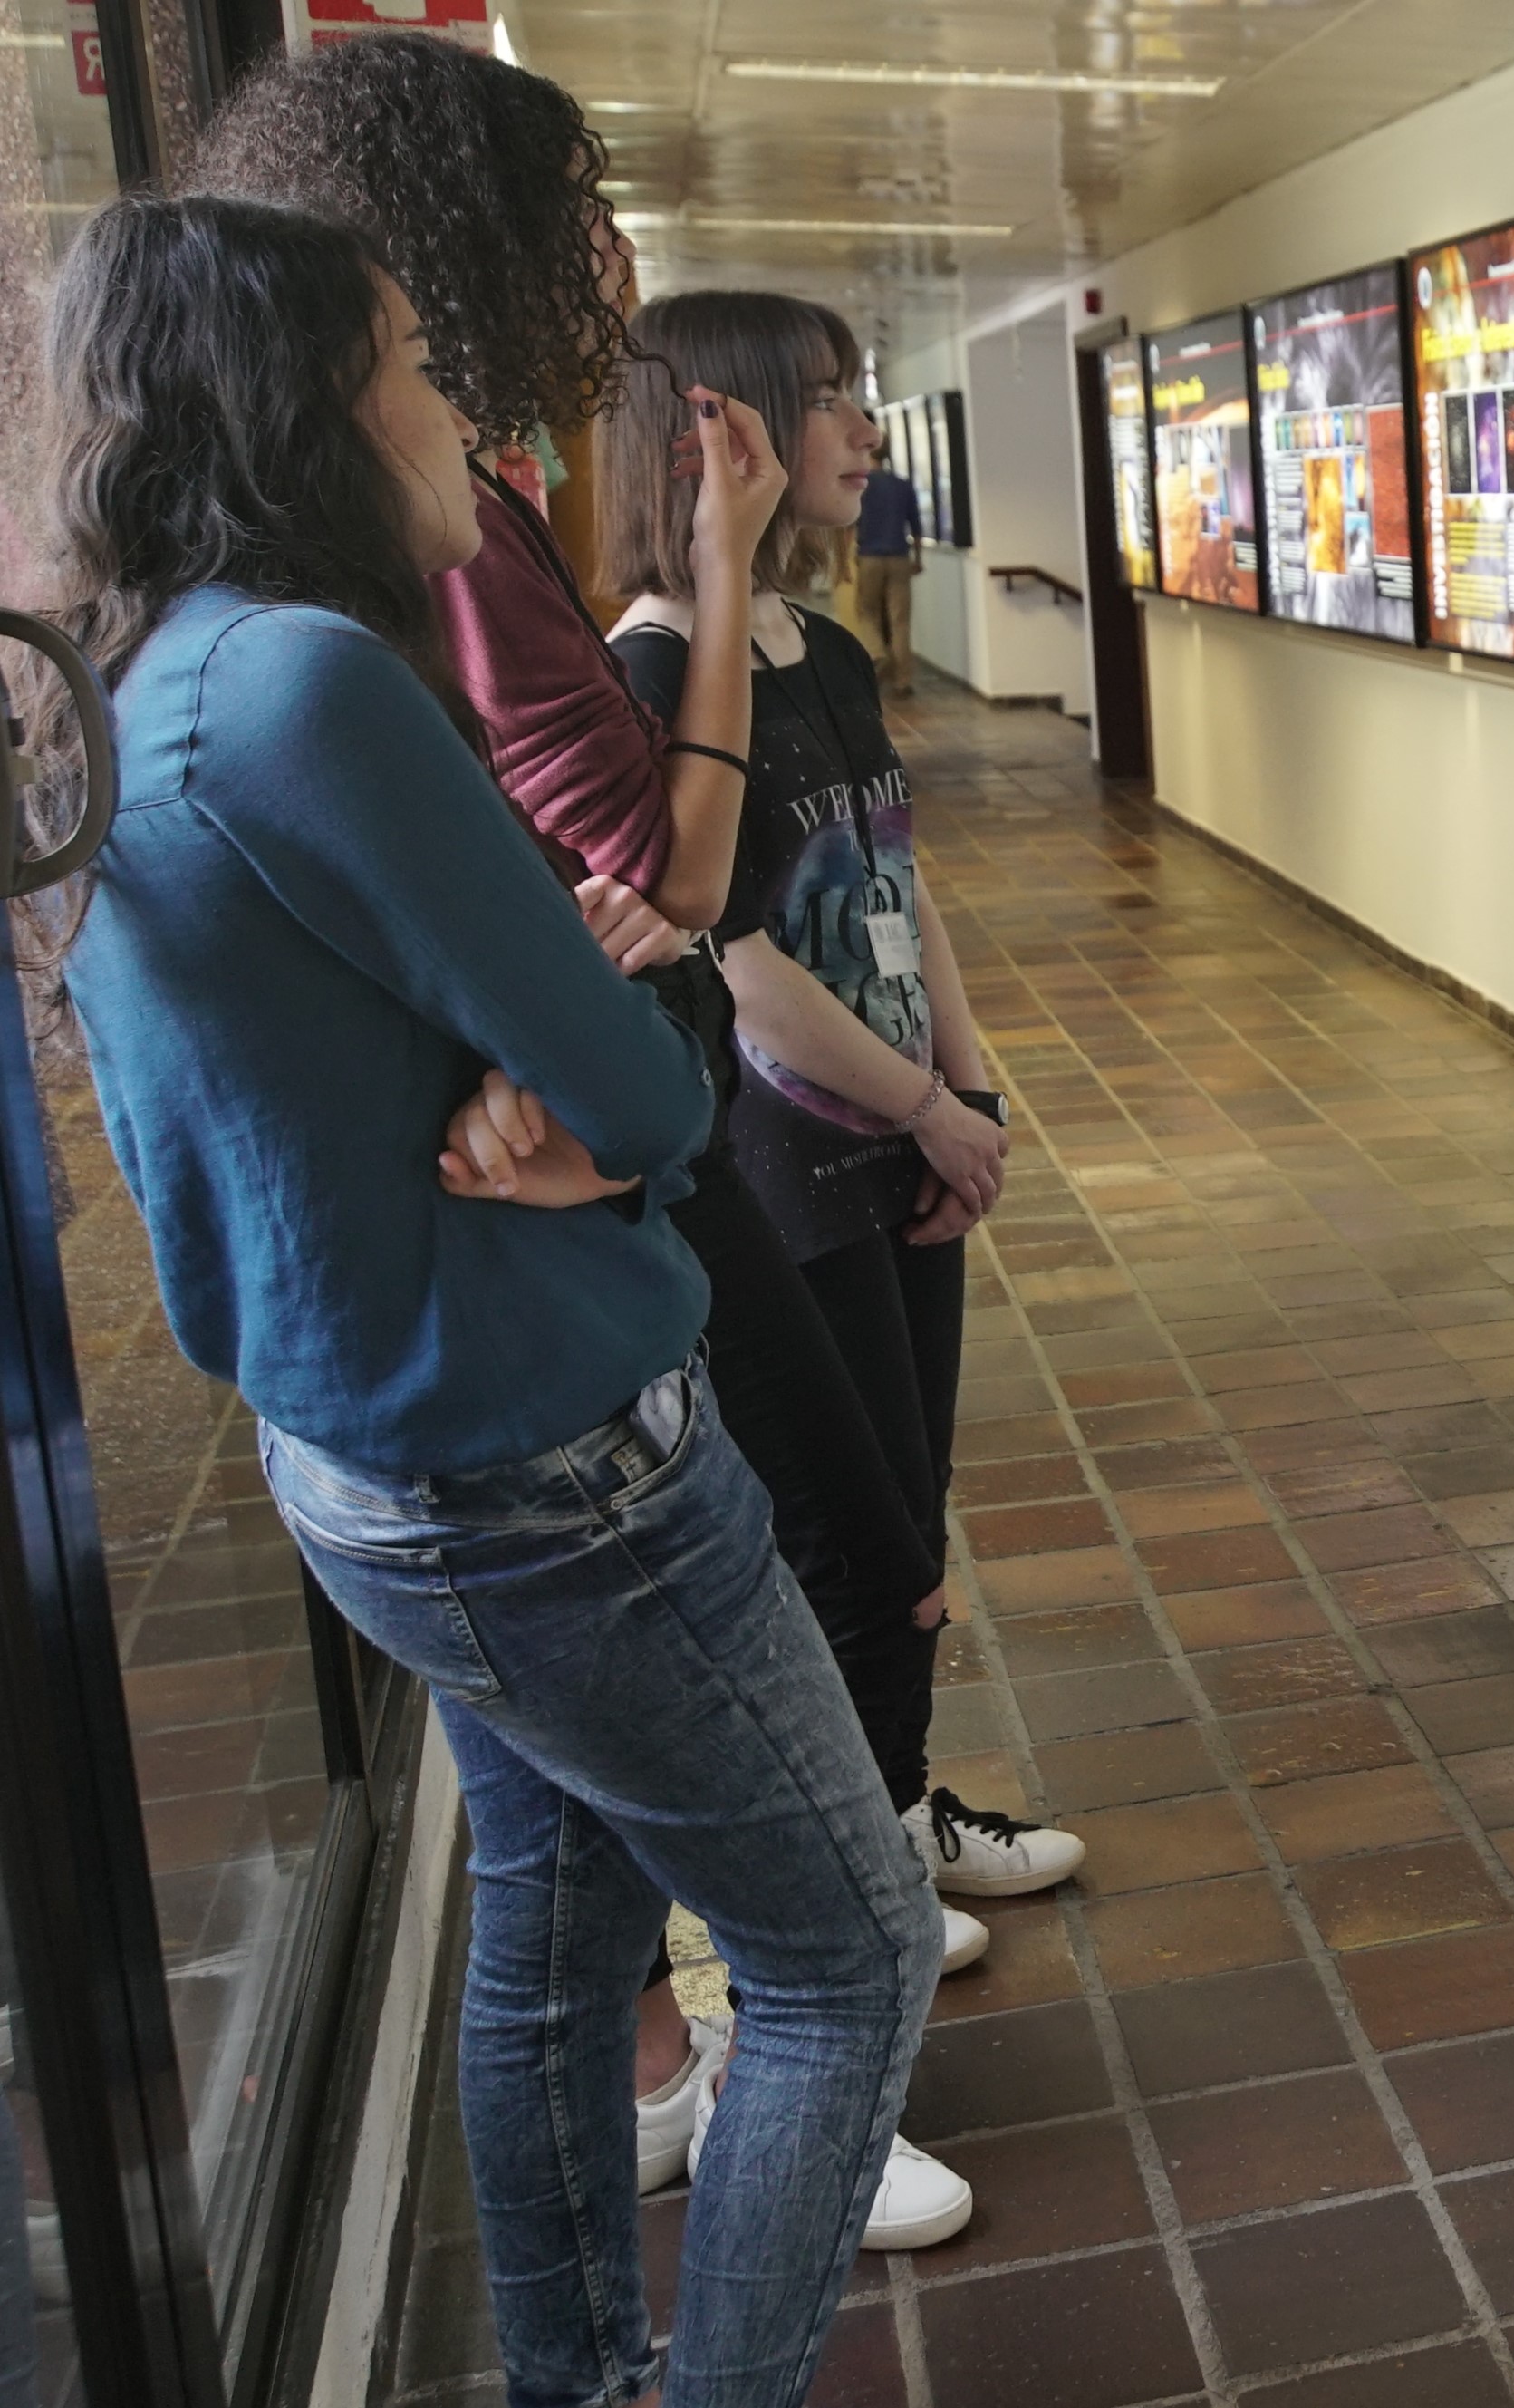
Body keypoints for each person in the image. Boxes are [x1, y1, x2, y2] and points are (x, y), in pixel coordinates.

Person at [42, 190, 932, 2408]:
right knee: (847, 1958)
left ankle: (581, 2374)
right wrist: (595, 1046)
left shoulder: (147, 678)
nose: (467, 418)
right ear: (306, 407)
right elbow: (645, 1080)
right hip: (550, 1465)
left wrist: (564, 1045)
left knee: (548, 1923)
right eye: (420, 367)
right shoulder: (308, 679)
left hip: (377, 1452)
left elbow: (478, 1045)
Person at [180, 33, 1052, 2250]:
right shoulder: (336, 630)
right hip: (517, 1317)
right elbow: (665, 914)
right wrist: (577, 1025)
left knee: (563, 1844)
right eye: (571, 225)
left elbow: (619, 920)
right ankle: (783, 2031)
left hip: (521, 1270)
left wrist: (587, 1009)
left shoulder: (360, 583)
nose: (610, 263)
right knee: (809, 1657)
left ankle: (648, 2179)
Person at [598, 288, 1067, 1939]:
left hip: (902, 1134)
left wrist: (968, 1086)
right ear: (721, 424)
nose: (866, 430)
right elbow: (737, 965)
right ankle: (859, 1867)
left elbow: (896, 879)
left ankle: (901, 1807)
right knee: (846, 1534)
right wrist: (928, 1107)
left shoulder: (829, 647)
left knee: (910, 1504)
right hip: (786, 1165)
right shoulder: (656, 668)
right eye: (829, 398)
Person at [849, 464, 920, 695]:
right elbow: (916, 525)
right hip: (900, 557)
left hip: (870, 556)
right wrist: (918, 558)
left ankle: (877, 651)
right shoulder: (903, 485)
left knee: (867, 611)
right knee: (900, 619)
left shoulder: (863, 485)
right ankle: (903, 681)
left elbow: (851, 522)